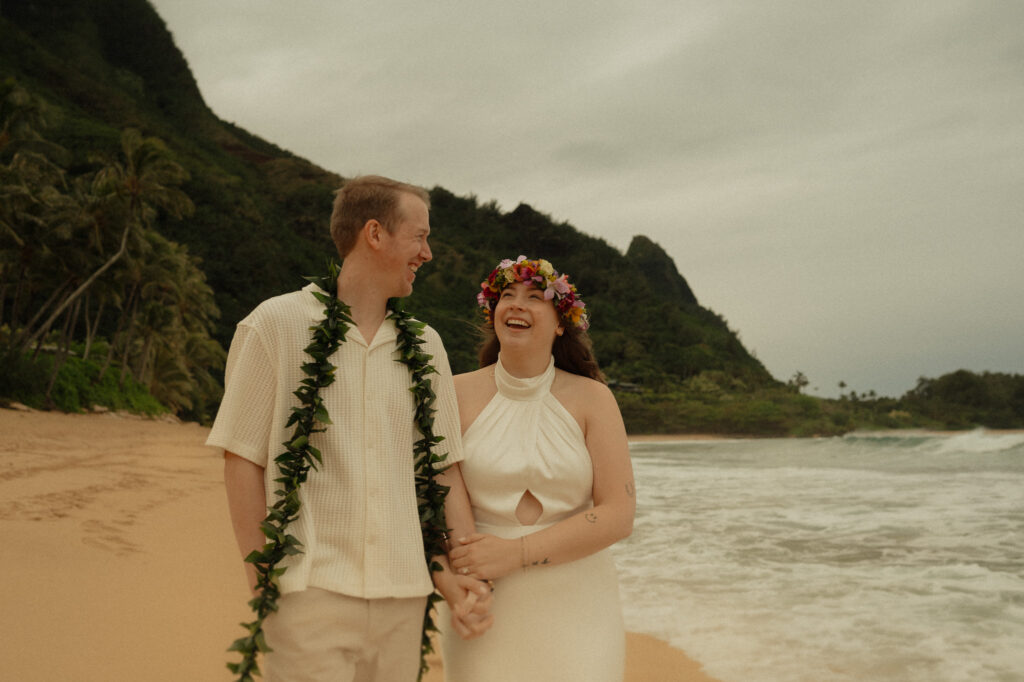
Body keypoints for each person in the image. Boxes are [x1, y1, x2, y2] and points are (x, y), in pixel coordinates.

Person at [207, 175, 492, 682]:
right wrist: (262, 580)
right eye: (419, 236)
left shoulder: (426, 346)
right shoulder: (275, 325)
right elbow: (241, 457)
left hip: (405, 597)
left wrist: (463, 575)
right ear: (375, 233)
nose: (427, 253)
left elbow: (442, 470)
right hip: (309, 591)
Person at [438, 256, 636, 681]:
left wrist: (517, 553)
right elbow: (431, 498)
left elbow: (619, 514)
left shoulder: (593, 399)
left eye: (533, 297)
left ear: (561, 322)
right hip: (485, 600)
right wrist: (453, 582)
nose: (516, 304)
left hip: (580, 599)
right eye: (505, 295)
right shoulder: (451, 393)